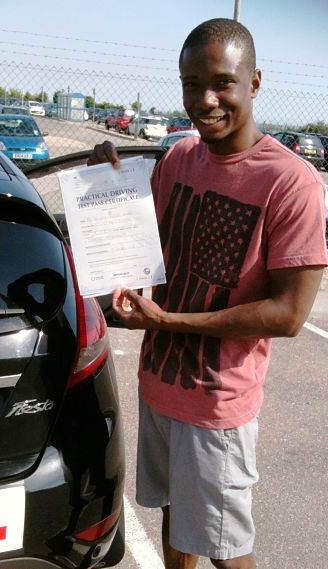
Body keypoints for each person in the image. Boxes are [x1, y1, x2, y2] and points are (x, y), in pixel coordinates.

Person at [88, 18, 328, 569]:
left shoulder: (290, 183)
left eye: (222, 82)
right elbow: (133, 239)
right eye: (190, 84)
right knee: (175, 516)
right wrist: (110, 181)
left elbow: (289, 315)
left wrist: (166, 323)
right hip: (161, 386)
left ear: (255, 82)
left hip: (217, 405)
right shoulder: (177, 160)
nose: (205, 100)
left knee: (225, 548)